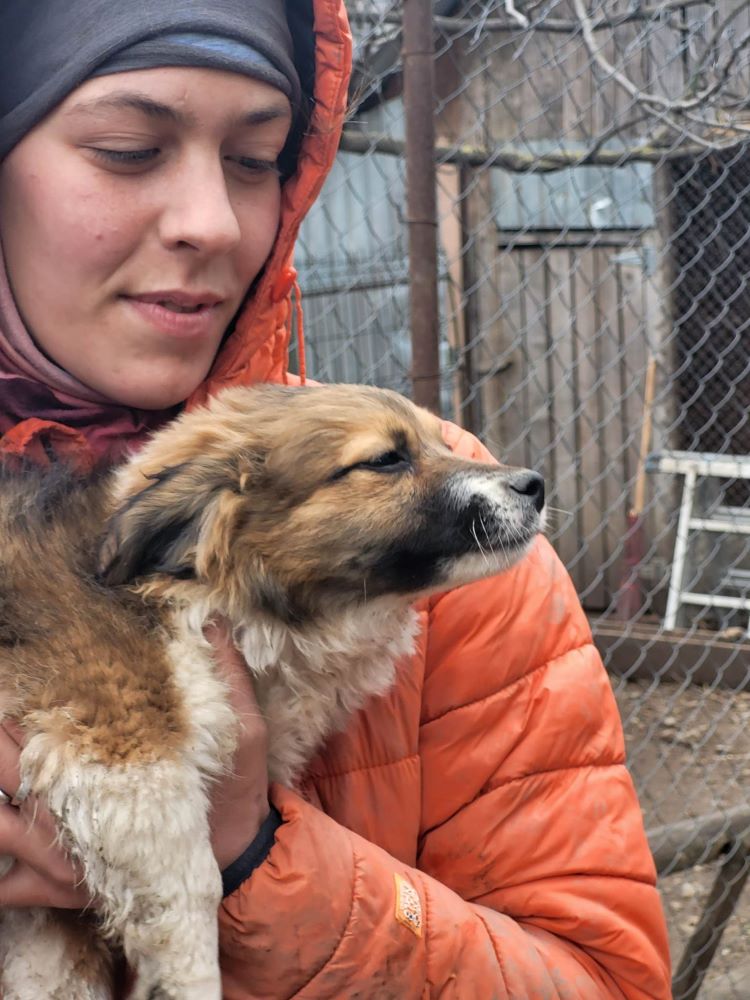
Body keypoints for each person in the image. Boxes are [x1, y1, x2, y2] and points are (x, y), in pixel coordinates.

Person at [0, 1, 672, 997]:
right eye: (129, 148)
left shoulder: (446, 549)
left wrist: (251, 859)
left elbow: (601, 980)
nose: (214, 223)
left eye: (255, 159)